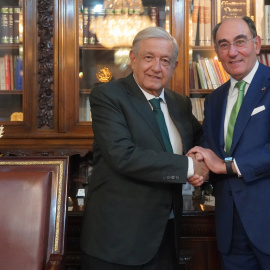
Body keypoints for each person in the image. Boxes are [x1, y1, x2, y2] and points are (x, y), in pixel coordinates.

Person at [80, 26, 209, 270]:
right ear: (133, 58)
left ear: (175, 66)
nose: (156, 68)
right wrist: (190, 166)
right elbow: (123, 155)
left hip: (166, 235)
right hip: (118, 242)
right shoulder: (107, 96)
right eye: (148, 57)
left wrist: (206, 159)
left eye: (165, 60)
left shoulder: (179, 103)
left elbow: (199, 140)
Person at [187, 17, 270, 269]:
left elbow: (223, 162)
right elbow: (209, 147)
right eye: (224, 45)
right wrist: (196, 164)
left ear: (256, 44)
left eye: (240, 42)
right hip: (229, 229)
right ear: (217, 52)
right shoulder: (214, 99)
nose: (232, 52)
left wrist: (228, 165)